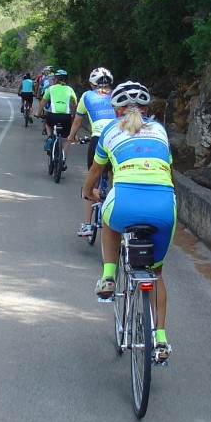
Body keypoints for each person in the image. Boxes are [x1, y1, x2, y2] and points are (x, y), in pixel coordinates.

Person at [82, 80, 176, 362]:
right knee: (156, 274)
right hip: (164, 205)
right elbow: (168, 170)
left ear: (116, 109)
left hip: (125, 201)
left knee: (109, 218)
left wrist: (88, 192)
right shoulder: (160, 130)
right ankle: (160, 339)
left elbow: (97, 170)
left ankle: (109, 276)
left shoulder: (110, 130)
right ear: (146, 109)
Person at [68, 67, 115, 237]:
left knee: (91, 181)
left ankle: (87, 225)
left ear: (92, 83)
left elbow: (77, 121)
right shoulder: (117, 95)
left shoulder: (87, 96)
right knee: (116, 179)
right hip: (118, 140)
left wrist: (71, 137)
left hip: (98, 141)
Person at [38, 69, 77, 168]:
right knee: (65, 140)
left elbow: (42, 102)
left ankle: (50, 136)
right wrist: (72, 115)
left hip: (52, 115)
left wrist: (38, 113)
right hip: (66, 117)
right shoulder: (69, 89)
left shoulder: (50, 89)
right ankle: (63, 161)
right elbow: (75, 103)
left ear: (55, 79)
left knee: (47, 122)